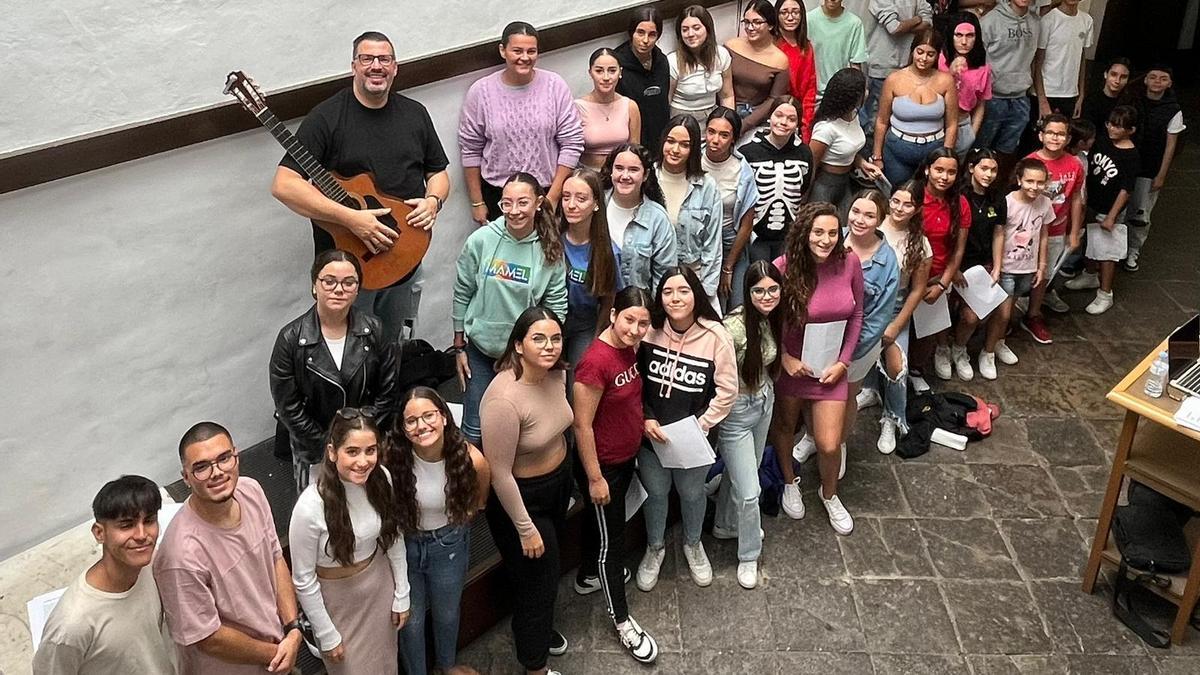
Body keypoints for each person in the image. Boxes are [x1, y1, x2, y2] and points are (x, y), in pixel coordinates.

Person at [271, 31, 450, 345]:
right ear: (354, 66)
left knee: (391, 346)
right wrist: (350, 218)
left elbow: (438, 173)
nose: (376, 66)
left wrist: (433, 200)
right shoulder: (326, 118)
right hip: (348, 273)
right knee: (347, 352)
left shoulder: (415, 114)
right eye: (367, 59)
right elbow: (284, 185)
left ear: (395, 67)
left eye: (384, 59)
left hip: (405, 258)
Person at [154, 422, 303, 675]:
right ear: (186, 477)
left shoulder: (251, 491)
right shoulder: (181, 554)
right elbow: (208, 637)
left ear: (236, 455)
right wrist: (278, 653)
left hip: (278, 654)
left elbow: (275, 557)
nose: (217, 472)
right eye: (201, 467)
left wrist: (293, 628)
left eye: (224, 459)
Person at [481, 307, 575, 675]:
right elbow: (499, 473)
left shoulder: (556, 375)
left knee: (542, 574)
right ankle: (534, 666)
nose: (549, 346)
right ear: (518, 345)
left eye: (555, 338)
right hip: (522, 498)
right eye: (538, 339)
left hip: (558, 482)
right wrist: (524, 526)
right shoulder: (504, 398)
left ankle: (531, 631)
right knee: (539, 584)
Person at [571, 287, 660, 663]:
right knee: (613, 543)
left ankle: (587, 576)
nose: (637, 330)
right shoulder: (595, 363)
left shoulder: (631, 349)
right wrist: (594, 478)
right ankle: (622, 621)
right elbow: (582, 426)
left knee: (603, 531)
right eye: (629, 320)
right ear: (613, 316)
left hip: (625, 458)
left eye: (643, 323)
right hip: (602, 466)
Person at [636, 266, 738, 591]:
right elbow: (632, 381)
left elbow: (728, 391)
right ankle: (655, 548)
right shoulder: (647, 331)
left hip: (695, 440)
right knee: (655, 494)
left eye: (683, 291)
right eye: (667, 292)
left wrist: (701, 426)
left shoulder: (715, 337)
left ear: (696, 294)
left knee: (693, 493)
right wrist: (644, 417)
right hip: (651, 437)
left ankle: (693, 544)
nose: (675, 298)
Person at [287, 409, 407, 674]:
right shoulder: (309, 508)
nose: (363, 461)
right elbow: (303, 579)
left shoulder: (382, 479)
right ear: (332, 452)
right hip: (337, 602)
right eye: (352, 451)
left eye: (370, 451)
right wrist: (326, 632)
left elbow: (393, 537)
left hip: (379, 588)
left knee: (387, 665)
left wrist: (402, 593)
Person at [453, 173, 568, 446]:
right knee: (474, 432)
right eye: (507, 203)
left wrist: (541, 351)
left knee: (517, 435)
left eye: (522, 203)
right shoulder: (481, 240)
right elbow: (462, 291)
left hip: (523, 360)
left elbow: (556, 309)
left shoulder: (548, 249)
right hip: (480, 352)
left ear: (538, 203)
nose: (514, 211)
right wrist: (459, 345)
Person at [270, 249, 399, 492]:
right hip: (315, 449)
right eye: (329, 281)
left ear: (358, 289)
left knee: (369, 506)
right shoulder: (291, 339)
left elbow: (388, 393)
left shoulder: (375, 331)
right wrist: (329, 447)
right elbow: (288, 407)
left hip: (364, 446)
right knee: (321, 513)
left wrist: (356, 442)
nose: (338, 289)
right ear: (314, 286)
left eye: (349, 282)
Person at [770, 203, 863, 534]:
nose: (825, 240)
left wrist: (844, 362)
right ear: (804, 233)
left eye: (832, 233)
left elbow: (857, 315)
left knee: (828, 443)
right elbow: (766, 319)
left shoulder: (850, 262)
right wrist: (783, 358)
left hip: (831, 371)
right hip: (794, 369)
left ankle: (830, 494)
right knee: (784, 426)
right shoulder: (783, 268)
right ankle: (789, 481)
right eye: (818, 232)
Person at [389, 388, 491, 675]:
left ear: (444, 417)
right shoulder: (393, 458)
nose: (421, 426)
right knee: (412, 621)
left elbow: (480, 496)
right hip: (404, 547)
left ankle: (446, 667)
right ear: (402, 427)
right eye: (411, 420)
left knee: (447, 614)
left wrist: (461, 519)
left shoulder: (471, 458)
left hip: (448, 545)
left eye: (429, 415)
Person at [793, 193, 897, 467]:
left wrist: (844, 354)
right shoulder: (829, 235)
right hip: (814, 341)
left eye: (870, 215)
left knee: (846, 395)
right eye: (855, 212)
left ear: (881, 221)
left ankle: (837, 442)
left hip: (859, 345)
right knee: (812, 392)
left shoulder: (887, 263)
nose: (860, 220)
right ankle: (811, 436)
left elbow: (877, 316)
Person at [33, 476, 175, 675]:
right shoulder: (71, 625)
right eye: (126, 525)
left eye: (149, 521)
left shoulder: (149, 564)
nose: (142, 535)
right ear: (99, 533)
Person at [460, 22, 585, 224]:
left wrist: (552, 198)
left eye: (531, 51)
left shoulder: (554, 85)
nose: (524, 58)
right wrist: (477, 202)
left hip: (546, 192)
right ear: (503, 50)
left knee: (548, 253)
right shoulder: (481, 91)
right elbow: (470, 149)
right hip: (499, 198)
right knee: (503, 256)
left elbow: (572, 143)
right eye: (517, 51)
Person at [715, 261, 783, 590]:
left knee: (745, 474)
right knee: (751, 492)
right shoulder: (734, 328)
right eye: (759, 290)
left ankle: (726, 524)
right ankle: (748, 555)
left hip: (765, 401)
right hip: (738, 412)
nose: (767, 296)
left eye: (773, 289)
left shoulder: (774, 318)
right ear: (748, 291)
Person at [866, 182, 932, 452]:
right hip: (867, 304)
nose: (899, 208)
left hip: (895, 308)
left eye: (907, 204)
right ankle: (869, 390)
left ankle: (892, 418)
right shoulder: (873, 227)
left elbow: (917, 290)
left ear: (916, 209)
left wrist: (897, 324)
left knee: (897, 366)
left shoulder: (920, 244)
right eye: (895, 201)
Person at [1064, 105, 1140, 315]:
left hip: (1109, 210)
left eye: (1118, 127)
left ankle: (1105, 293)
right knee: (1089, 242)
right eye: (1110, 124)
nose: (1112, 129)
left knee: (1107, 252)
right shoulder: (1103, 141)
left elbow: (1126, 189)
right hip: (1092, 203)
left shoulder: (1131, 155)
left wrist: (1112, 216)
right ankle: (1089, 274)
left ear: (1131, 130)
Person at [985, 158, 1055, 379]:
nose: (1034, 187)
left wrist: (1041, 266)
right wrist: (997, 266)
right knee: (1003, 314)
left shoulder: (1045, 203)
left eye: (1040, 182)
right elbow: (999, 234)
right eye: (1029, 181)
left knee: (1012, 307)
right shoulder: (1007, 202)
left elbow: (1044, 235)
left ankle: (999, 342)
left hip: (1028, 267)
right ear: (1019, 180)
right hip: (1007, 266)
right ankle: (986, 353)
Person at [1018, 113, 1084, 344]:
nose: (1055, 138)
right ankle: (1009, 312)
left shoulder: (1075, 165)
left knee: (1044, 274)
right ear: (1041, 135)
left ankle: (1033, 313)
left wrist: (1073, 232)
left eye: (1061, 134)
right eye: (1051, 133)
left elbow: (1075, 198)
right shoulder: (1029, 162)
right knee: (1019, 273)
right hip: (1029, 232)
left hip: (1057, 230)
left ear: (1067, 138)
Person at [950, 148, 1013, 380]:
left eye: (993, 170)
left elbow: (999, 233)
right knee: (970, 317)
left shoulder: (998, 198)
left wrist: (996, 266)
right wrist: (953, 268)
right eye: (984, 168)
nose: (988, 174)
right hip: (959, 265)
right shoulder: (959, 196)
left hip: (985, 265)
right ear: (971, 168)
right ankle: (958, 350)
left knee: (1004, 312)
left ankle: (987, 353)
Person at [873, 27, 959, 187]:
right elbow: (881, 121)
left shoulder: (946, 81)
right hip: (897, 149)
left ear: (937, 56)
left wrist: (946, 155)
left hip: (934, 149)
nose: (924, 58)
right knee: (897, 193)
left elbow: (952, 124)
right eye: (920, 52)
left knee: (929, 195)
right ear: (912, 51)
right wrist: (877, 157)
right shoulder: (894, 79)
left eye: (930, 54)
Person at [657, 115, 724, 312]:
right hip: (656, 282)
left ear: (693, 149)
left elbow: (713, 245)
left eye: (684, 145)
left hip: (695, 281)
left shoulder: (707, 186)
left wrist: (704, 293)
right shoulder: (648, 179)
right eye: (670, 142)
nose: (675, 150)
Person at [560, 167, 623, 370]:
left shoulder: (608, 251)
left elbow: (609, 301)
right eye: (566, 197)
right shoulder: (551, 239)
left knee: (579, 381)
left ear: (596, 203)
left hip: (584, 326)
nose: (571, 205)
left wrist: (597, 339)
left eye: (581, 198)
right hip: (550, 323)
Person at [1125, 64, 1186, 273]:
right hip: (1129, 164)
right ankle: (1115, 250)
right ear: (1145, 80)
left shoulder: (1173, 110)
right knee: (1122, 208)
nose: (1157, 81)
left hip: (1151, 168)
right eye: (1153, 77)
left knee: (1141, 213)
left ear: (1169, 83)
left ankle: (1133, 250)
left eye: (1162, 78)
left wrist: (1162, 174)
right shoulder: (1133, 102)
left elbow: (1171, 145)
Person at [740, 97, 814, 264]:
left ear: (797, 124)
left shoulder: (804, 153)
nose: (783, 122)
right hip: (756, 234)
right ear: (769, 117)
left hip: (788, 235)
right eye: (778, 115)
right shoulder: (749, 152)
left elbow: (804, 188)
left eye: (791, 119)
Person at [917, 148, 970, 380]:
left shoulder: (960, 204)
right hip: (910, 278)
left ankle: (920, 369)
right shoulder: (914, 196)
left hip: (938, 278)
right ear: (928, 169)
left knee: (928, 334)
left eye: (951, 172)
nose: (944, 177)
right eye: (939, 170)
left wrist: (942, 285)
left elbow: (958, 250)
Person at [702, 108, 759, 310]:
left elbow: (746, 223)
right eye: (711, 131)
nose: (715, 139)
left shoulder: (742, 170)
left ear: (733, 139)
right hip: (698, 242)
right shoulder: (693, 162)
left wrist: (728, 267)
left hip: (730, 242)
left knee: (737, 306)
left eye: (724, 135)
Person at [602, 143, 678, 291]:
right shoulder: (595, 205)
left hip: (638, 309)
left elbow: (664, 279)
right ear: (611, 171)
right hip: (593, 308)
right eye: (619, 168)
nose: (625, 176)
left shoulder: (658, 219)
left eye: (633, 170)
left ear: (645, 175)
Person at [976, 0, 1040, 165]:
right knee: (982, 150)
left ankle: (998, 188)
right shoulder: (990, 21)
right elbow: (977, 61)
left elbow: (1034, 60)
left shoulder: (1035, 22)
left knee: (1007, 153)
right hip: (993, 97)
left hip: (1021, 97)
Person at [809, 68, 880, 209]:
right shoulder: (826, 128)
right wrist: (805, 198)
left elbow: (845, 149)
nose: (867, 92)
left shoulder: (854, 115)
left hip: (845, 182)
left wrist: (862, 163)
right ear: (852, 96)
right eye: (863, 90)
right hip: (824, 186)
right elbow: (812, 166)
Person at [863, 0, 934, 132]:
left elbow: (928, 21)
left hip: (908, 67)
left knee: (901, 120)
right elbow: (895, 27)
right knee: (873, 123)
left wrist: (906, 25)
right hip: (882, 68)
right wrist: (917, 19)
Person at [725, 0, 792, 134]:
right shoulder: (731, 46)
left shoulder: (780, 60)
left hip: (757, 117)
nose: (750, 27)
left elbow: (774, 99)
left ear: (771, 25)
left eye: (757, 22)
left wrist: (745, 124)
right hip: (727, 109)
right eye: (747, 22)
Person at [614, 7, 671, 156]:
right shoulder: (617, 64)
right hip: (629, 144)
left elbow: (664, 103)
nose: (645, 40)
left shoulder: (662, 61)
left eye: (652, 34)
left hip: (660, 141)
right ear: (631, 33)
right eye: (640, 33)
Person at [576, 48, 642, 170]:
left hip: (621, 175)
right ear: (590, 73)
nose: (606, 77)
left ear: (620, 72)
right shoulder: (577, 108)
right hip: (587, 175)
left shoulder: (630, 106)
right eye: (599, 71)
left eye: (612, 71)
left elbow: (635, 151)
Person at [668, 5, 734, 121]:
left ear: (707, 29)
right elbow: (666, 101)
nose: (690, 34)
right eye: (685, 30)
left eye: (696, 28)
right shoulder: (673, 61)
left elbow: (727, 96)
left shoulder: (721, 55)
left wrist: (728, 122)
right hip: (681, 117)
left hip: (713, 114)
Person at [939, 15, 992, 154]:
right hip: (938, 123)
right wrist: (950, 72)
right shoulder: (939, 59)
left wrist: (972, 133)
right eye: (959, 35)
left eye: (970, 36)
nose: (964, 41)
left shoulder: (983, 67)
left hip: (963, 124)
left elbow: (981, 103)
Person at [1033, 0, 1093, 118]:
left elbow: (1082, 59)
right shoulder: (1048, 20)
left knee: (1064, 134)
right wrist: (1042, 100)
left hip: (1070, 93)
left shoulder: (1087, 20)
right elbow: (1037, 62)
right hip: (1047, 91)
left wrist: (1081, 95)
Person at [774, 0, 818, 141]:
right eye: (784, 12)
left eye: (795, 12)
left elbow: (810, 89)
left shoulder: (806, 47)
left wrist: (805, 125)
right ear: (777, 15)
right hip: (772, 113)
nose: (790, 17)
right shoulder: (771, 44)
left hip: (797, 115)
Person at [807, 0, 869, 100]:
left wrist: (858, 92)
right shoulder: (808, 19)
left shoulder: (854, 23)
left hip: (840, 92)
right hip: (811, 92)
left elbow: (856, 64)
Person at [1081, 57, 1132, 132]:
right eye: (1114, 74)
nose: (1117, 80)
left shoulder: (1130, 104)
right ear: (1105, 74)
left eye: (1123, 77)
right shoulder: (1091, 101)